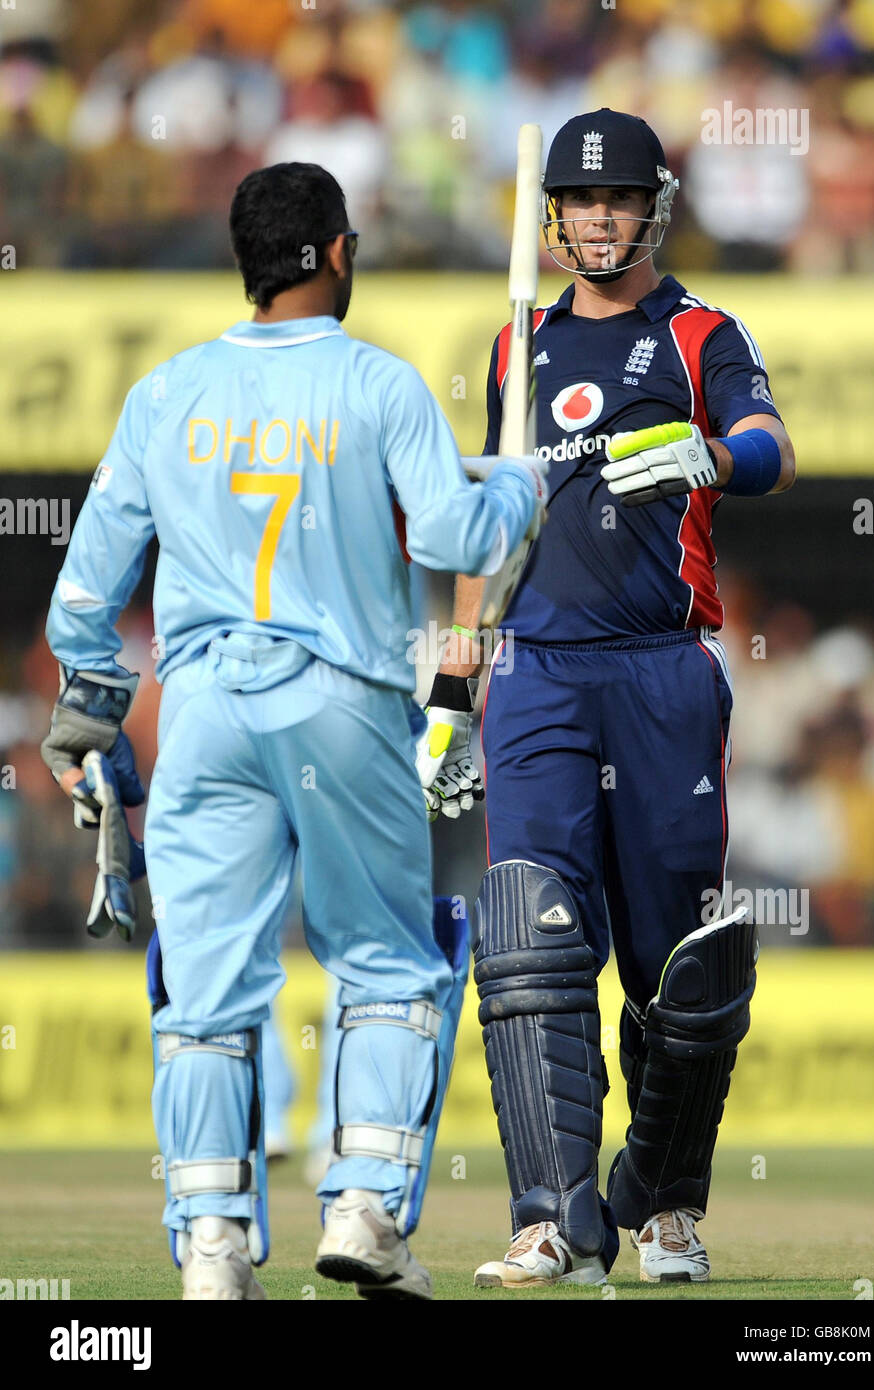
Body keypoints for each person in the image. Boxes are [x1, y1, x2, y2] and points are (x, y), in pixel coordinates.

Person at [40, 161, 545, 1301]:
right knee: (386, 963)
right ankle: (365, 1208)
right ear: (334, 252)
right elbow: (461, 537)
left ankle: (211, 1247)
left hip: (205, 704)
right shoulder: (380, 383)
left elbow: (84, 593)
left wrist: (94, 707)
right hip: (342, 698)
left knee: (207, 990)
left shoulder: (165, 393)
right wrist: (520, 483)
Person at [417, 109, 795, 1287]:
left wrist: (712, 454)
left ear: (653, 207)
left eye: (618, 200)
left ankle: (665, 1205)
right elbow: (490, 532)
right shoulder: (511, 344)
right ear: (554, 216)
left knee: (682, 959)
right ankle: (550, 1218)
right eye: (580, 202)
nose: (597, 218)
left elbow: (773, 444)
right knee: (528, 941)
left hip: (662, 670)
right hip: (532, 671)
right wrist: (446, 689)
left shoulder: (700, 332)